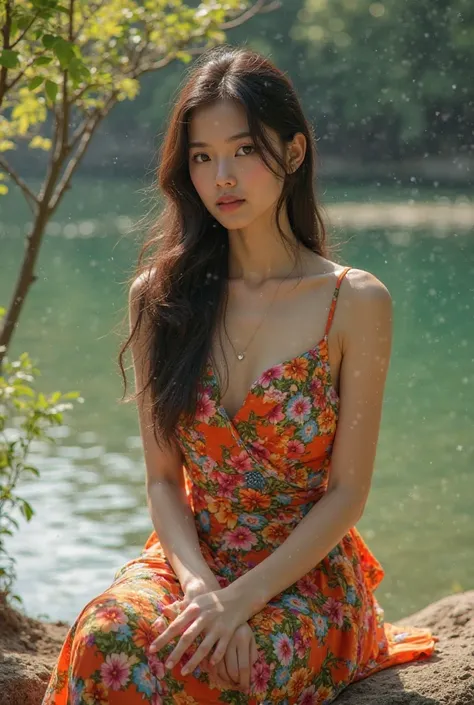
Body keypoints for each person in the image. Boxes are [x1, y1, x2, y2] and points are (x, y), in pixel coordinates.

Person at [42, 45, 437, 705]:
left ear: (294, 151)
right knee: (107, 637)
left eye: (244, 150)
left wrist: (240, 601)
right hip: (193, 559)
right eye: (201, 156)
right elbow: (165, 480)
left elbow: (347, 493)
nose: (222, 175)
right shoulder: (158, 296)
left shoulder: (355, 301)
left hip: (303, 578)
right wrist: (201, 589)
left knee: (230, 663)